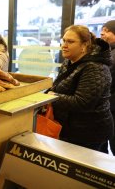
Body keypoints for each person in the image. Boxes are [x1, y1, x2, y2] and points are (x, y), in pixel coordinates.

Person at [47, 25, 114, 153]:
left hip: (90, 133)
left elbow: (83, 102)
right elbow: (58, 85)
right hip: (70, 129)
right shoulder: (69, 61)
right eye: (64, 40)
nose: (64, 45)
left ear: (84, 45)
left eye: (70, 42)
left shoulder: (95, 67)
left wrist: (52, 97)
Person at [101, 20, 115, 155]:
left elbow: (106, 79)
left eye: (106, 30)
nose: (102, 33)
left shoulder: (112, 55)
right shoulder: (110, 52)